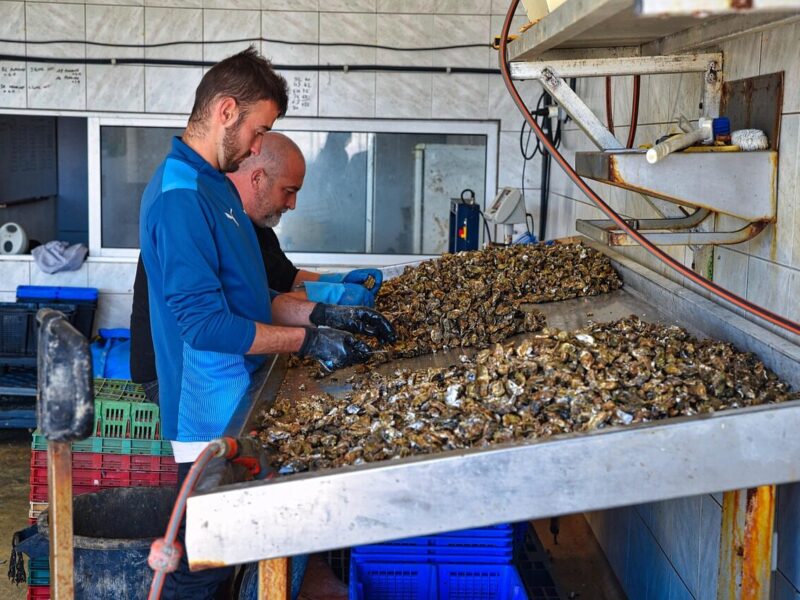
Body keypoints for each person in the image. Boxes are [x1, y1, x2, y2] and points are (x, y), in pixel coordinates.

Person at [138, 47, 395, 599]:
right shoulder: (180, 196)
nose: (260, 146)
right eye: (260, 130)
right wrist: (308, 340)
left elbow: (253, 298)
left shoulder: (214, 186)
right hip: (207, 412)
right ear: (226, 110)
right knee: (201, 569)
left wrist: (327, 314)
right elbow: (205, 325)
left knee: (237, 556)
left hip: (241, 392)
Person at [130, 132, 385, 403]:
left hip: (219, 362)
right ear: (258, 178)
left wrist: (333, 301)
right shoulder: (194, 212)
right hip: (174, 375)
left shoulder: (249, 222)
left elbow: (279, 283)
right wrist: (314, 333)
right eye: (288, 191)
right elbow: (208, 323)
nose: (292, 204)